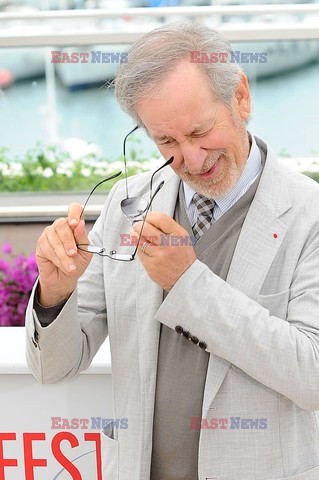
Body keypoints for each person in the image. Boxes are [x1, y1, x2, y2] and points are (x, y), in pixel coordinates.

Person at [25, 22, 319, 480]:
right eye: (167, 141)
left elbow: (313, 376)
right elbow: (53, 370)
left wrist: (188, 283)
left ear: (240, 96)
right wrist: (54, 293)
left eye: (201, 131)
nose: (193, 159)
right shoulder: (125, 208)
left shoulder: (309, 215)